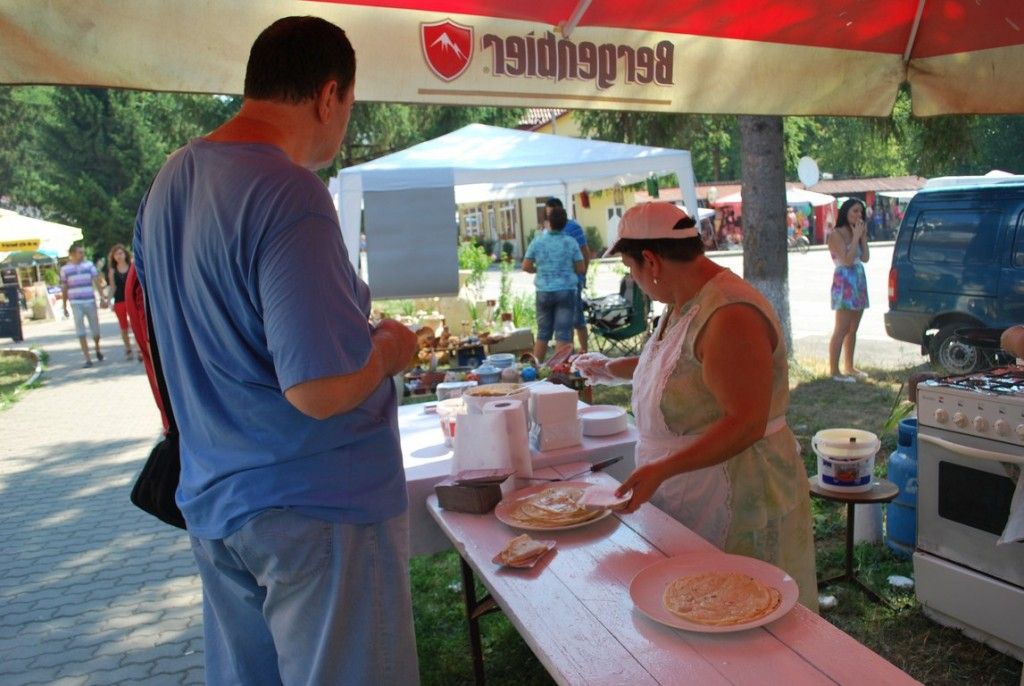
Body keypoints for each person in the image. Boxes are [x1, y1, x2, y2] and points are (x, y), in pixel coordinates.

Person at [132, 17, 421, 686]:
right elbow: (318, 388)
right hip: (318, 504)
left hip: (215, 497)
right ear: (329, 96)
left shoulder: (169, 181)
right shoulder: (289, 191)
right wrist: (389, 349)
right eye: (348, 106)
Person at [572, 202, 818, 611]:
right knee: (694, 604)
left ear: (651, 260)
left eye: (631, 270)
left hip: (741, 489)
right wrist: (609, 369)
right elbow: (679, 363)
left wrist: (662, 469)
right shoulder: (684, 299)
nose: (635, 281)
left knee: (747, 606)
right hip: (693, 484)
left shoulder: (730, 314)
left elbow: (747, 423)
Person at [522, 206, 585, 362]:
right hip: (566, 291)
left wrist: (540, 270)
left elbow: (526, 266)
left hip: (543, 291)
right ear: (565, 223)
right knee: (563, 334)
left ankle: (535, 369)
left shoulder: (538, 241)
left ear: (549, 222)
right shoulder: (570, 242)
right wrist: (566, 270)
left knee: (543, 333)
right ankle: (559, 369)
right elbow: (581, 268)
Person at [827, 198, 870, 382]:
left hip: (858, 281)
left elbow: (865, 257)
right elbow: (846, 260)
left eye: (861, 211)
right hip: (844, 282)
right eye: (855, 211)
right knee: (842, 328)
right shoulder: (835, 234)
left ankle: (849, 366)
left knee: (853, 328)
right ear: (846, 212)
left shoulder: (857, 231)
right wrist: (855, 237)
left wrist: (863, 237)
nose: (859, 215)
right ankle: (835, 371)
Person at [545, 197, 591, 352]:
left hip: (572, 282)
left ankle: (584, 352)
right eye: (548, 214)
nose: (550, 217)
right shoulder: (549, 231)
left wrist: (582, 276)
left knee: (577, 319)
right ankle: (567, 356)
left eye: (551, 213)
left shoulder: (573, 227)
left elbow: (585, 252)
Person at [60, 243, 104, 368]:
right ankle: (87, 358)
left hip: (90, 300)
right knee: (80, 330)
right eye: (80, 252)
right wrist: (64, 305)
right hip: (76, 303)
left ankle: (97, 347)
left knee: (95, 329)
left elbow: (96, 281)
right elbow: (65, 287)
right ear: (72, 254)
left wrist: (102, 297)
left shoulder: (89, 265)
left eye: (83, 252)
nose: (82, 254)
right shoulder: (65, 269)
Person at [106, 244, 140, 361]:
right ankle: (128, 348)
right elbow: (112, 287)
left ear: (125, 254)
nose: (119, 256)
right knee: (124, 327)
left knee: (135, 325)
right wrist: (108, 300)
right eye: (116, 254)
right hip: (119, 301)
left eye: (121, 253)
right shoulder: (112, 271)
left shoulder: (132, 267)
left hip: (133, 300)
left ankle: (139, 349)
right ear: (113, 257)